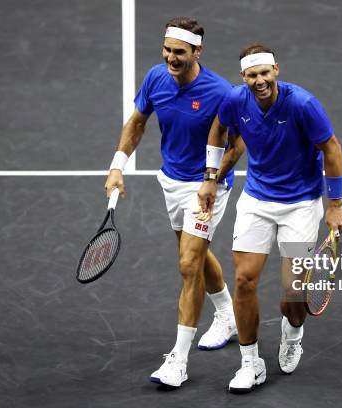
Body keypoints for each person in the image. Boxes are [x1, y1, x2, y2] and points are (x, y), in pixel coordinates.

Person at [197, 44, 342, 393]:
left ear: (276, 70)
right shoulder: (236, 101)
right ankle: (251, 363)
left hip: (300, 204)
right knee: (245, 281)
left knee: (293, 297)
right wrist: (209, 176)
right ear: (244, 77)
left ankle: (292, 332)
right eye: (252, 75)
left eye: (265, 73)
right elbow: (219, 129)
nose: (259, 80)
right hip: (256, 201)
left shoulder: (302, 104)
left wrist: (335, 203)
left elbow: (332, 148)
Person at [104, 17, 245, 388]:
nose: (171, 57)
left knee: (187, 264)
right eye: (167, 50)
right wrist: (118, 166)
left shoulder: (220, 93)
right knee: (195, 256)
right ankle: (227, 315)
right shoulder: (155, 78)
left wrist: (210, 181)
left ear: (197, 52)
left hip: (206, 186)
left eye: (179, 52)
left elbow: (237, 145)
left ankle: (178, 361)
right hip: (172, 181)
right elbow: (137, 122)